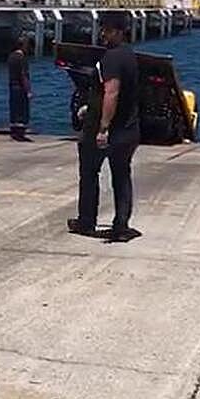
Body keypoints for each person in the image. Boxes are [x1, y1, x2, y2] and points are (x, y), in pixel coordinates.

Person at [68, 12, 141, 242]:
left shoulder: (111, 58)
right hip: (129, 128)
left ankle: (86, 221)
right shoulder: (130, 55)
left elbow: (112, 92)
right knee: (122, 176)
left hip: (108, 129)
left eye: (107, 30)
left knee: (89, 173)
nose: (103, 34)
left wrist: (103, 128)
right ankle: (121, 225)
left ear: (118, 32)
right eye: (102, 29)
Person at [7, 34, 32, 141]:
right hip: (20, 87)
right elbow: (23, 75)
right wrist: (28, 90)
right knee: (22, 110)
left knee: (14, 109)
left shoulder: (11, 56)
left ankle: (14, 131)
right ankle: (20, 132)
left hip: (12, 85)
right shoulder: (22, 58)